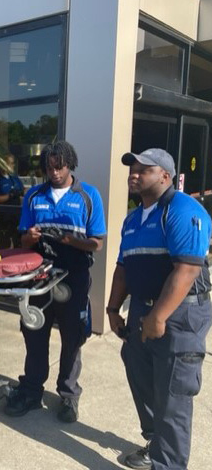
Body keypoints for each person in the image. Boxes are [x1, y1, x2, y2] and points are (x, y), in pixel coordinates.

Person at [106, 148, 212, 470]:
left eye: (143, 169)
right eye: (132, 169)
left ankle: (168, 464)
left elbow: (187, 270)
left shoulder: (183, 210)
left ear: (165, 176)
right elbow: (122, 268)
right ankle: (155, 442)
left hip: (179, 317)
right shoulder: (133, 219)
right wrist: (112, 309)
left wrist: (159, 316)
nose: (133, 174)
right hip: (142, 312)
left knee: (173, 396)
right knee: (141, 375)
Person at [4, 141, 106, 422]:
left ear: (69, 164)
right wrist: (31, 237)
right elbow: (23, 237)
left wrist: (72, 241)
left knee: (72, 337)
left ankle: (69, 395)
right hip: (39, 275)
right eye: (49, 167)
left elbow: (97, 243)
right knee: (34, 332)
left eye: (59, 166)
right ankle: (32, 390)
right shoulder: (34, 195)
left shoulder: (88, 196)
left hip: (74, 276)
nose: (54, 172)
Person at [0, 153, 24, 248]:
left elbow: (22, 190)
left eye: (13, 163)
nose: (12, 166)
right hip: (4, 216)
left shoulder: (14, 178)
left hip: (16, 215)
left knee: (18, 242)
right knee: (4, 243)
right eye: (10, 163)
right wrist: (10, 196)